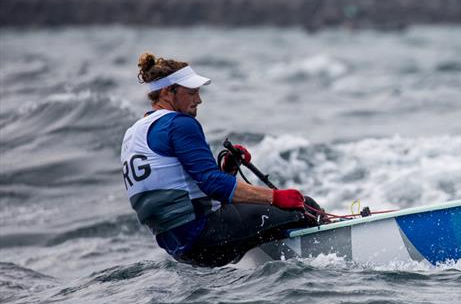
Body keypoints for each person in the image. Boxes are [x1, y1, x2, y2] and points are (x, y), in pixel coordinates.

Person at [121, 52, 320, 267]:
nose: (199, 99)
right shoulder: (178, 123)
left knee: (266, 219)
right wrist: (277, 197)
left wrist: (228, 172)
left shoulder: (134, 133)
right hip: (205, 235)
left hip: (178, 247)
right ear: (168, 92)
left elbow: (186, 188)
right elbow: (213, 184)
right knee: (304, 206)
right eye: (192, 92)